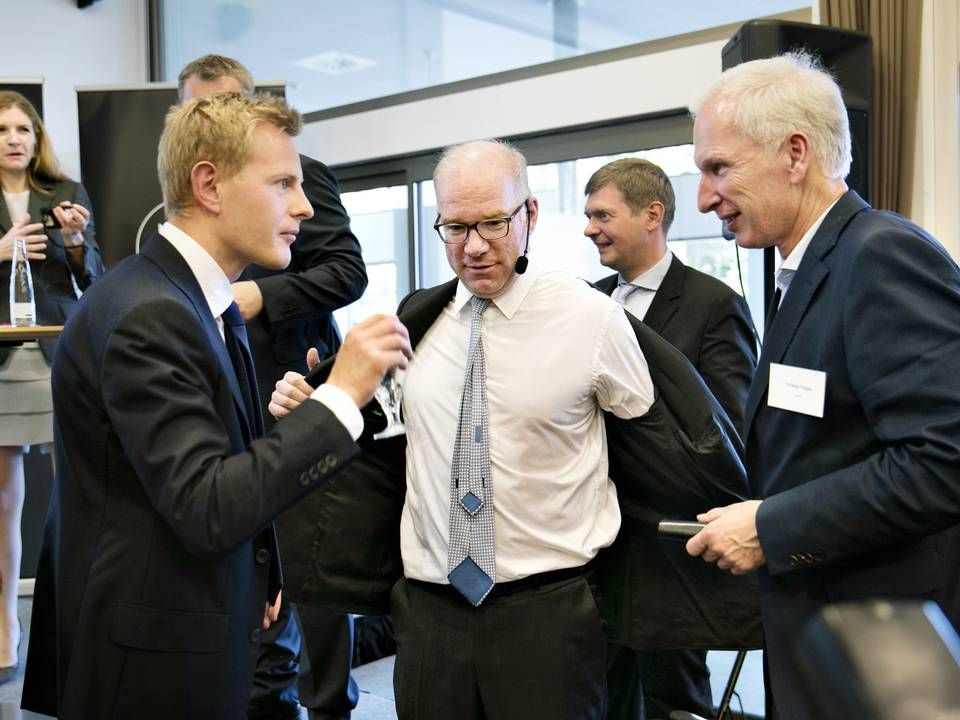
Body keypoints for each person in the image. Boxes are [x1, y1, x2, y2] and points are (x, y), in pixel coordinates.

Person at [270, 139, 755, 720]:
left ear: (529, 215)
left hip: (549, 615)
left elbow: (658, 450)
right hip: (428, 617)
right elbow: (386, 440)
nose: (474, 247)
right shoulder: (415, 323)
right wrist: (317, 405)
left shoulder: (591, 320)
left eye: (493, 224)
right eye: (455, 228)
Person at [21, 91, 411, 719]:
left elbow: (189, 464)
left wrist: (264, 577)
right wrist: (341, 395)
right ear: (209, 185)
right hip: (154, 657)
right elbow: (206, 505)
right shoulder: (153, 314)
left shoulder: (189, 300)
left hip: (196, 620)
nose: (306, 207)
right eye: (284, 183)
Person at [685, 52, 960, 720]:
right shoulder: (800, 272)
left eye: (719, 168)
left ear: (796, 153)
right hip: (821, 631)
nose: (703, 197)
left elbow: (943, 460)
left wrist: (771, 526)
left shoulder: (880, 256)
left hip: (886, 649)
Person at [178, 53, 368, 720]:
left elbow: (348, 272)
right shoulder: (189, 203)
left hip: (299, 388)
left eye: (228, 106)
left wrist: (261, 295)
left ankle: (330, 707)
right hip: (228, 396)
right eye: (199, 112)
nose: (216, 123)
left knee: (311, 572)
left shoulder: (299, 178)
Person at [585, 157, 756, 719]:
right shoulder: (586, 303)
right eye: (589, 216)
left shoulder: (714, 305)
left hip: (669, 554)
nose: (590, 229)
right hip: (594, 546)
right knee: (602, 698)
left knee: (673, 703)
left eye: (602, 215)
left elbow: (729, 429)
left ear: (652, 214)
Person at [0, 90, 103, 680]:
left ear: (38, 139)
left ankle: (77, 623)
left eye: (24, 128)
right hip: (3, 361)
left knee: (75, 496)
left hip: (56, 350)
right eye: (5, 128)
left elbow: (94, 271)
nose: (15, 137)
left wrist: (71, 243)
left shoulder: (67, 193)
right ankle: (7, 629)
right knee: (4, 503)